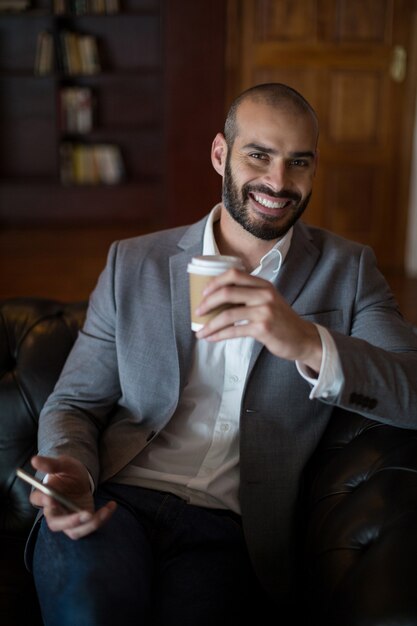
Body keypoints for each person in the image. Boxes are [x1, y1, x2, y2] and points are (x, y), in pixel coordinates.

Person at [27, 82, 417, 626]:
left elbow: (412, 388)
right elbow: (74, 401)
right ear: (220, 154)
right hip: (117, 503)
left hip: (232, 532)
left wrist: (305, 340)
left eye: (298, 162)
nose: (278, 182)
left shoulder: (348, 272)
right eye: (259, 155)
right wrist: (72, 471)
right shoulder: (133, 262)